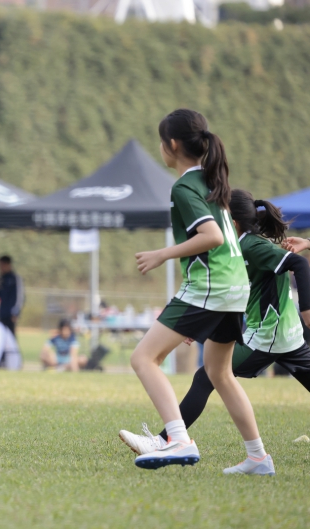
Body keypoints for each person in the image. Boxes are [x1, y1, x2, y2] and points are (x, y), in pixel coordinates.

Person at [124, 109, 271, 475]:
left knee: (143, 359)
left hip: (211, 288)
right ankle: (258, 457)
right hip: (234, 287)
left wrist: (162, 254)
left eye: (161, 142)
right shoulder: (213, 181)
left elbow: (213, 236)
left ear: (172, 145)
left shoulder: (185, 186)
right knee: (220, 373)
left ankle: (178, 439)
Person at [120, 190, 310, 459]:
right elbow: (231, 292)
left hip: (268, 336)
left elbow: (299, 265)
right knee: (213, 374)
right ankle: (255, 459)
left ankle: (165, 441)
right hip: (287, 336)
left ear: (232, 222)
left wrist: (307, 310)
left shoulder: (252, 246)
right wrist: (197, 324)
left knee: (207, 376)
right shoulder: (241, 247)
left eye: (216, 216)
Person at [0, 255, 24, 336]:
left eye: (2, 265)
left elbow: (20, 297)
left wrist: (15, 312)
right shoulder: (2, 278)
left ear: (7, 264)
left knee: (10, 337)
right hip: (2, 313)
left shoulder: (15, 278)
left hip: (10, 314)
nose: (0, 268)